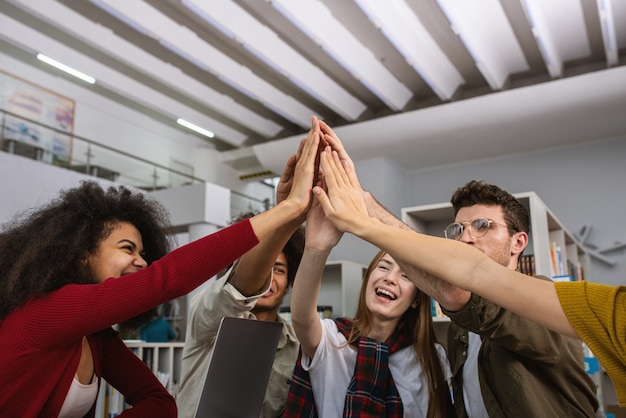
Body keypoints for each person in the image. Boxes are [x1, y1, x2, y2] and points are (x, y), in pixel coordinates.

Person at [0, 116, 320, 417]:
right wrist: (287, 209)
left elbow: (161, 403)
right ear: (82, 253)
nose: (141, 261)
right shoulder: (48, 312)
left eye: (143, 252)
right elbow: (168, 279)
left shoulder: (97, 339)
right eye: (127, 248)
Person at [311, 123, 601, 417]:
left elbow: (456, 290)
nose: (466, 237)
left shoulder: (545, 298)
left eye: (483, 226)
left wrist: (367, 208)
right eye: (459, 228)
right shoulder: (459, 330)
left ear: (518, 242)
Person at [176, 117, 321, 418]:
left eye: (279, 270)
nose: (269, 281)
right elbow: (241, 289)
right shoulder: (208, 318)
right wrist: (288, 214)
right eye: (263, 268)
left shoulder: (298, 343)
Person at [284, 192, 453, 417]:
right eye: (383, 267)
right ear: (368, 279)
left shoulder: (432, 357)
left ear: (417, 300)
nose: (390, 278)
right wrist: (317, 248)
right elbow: (301, 317)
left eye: (406, 276)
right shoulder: (332, 339)